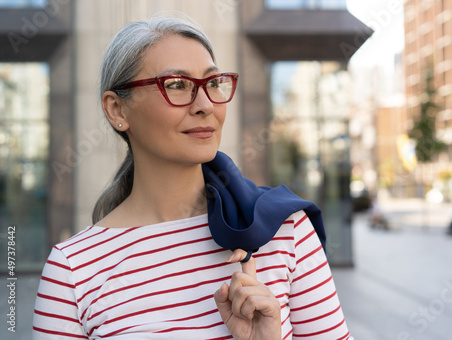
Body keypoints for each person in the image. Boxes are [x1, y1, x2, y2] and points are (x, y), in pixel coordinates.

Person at [33, 16, 352, 339]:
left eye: (213, 83)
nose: (205, 105)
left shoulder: (285, 229)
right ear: (117, 110)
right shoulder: (72, 271)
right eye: (175, 84)